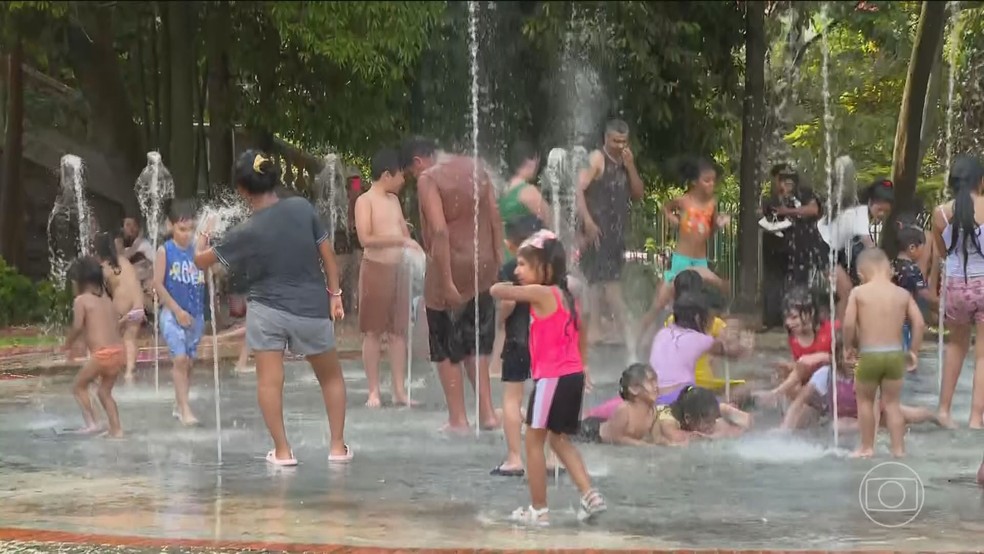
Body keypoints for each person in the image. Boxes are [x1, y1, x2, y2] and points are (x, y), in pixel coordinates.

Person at [194, 150, 351, 466]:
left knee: (269, 382)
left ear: (242, 189)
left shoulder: (245, 231)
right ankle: (337, 448)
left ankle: (282, 452)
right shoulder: (301, 208)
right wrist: (335, 294)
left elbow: (200, 261)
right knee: (331, 378)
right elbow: (328, 255)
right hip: (310, 307)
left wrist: (204, 234)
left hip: (267, 311)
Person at [489, 229, 605, 525]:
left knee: (533, 441)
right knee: (559, 440)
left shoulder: (543, 293)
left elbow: (497, 291)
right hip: (572, 376)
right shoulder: (567, 296)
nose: (517, 271)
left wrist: (507, 282)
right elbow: (581, 331)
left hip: (552, 379)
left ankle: (538, 510)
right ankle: (590, 495)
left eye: (523, 265)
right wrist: (584, 365)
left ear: (545, 269)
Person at [400, 136, 502, 433]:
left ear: (418, 161)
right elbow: (495, 217)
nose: (414, 177)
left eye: (412, 172)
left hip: (452, 264)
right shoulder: (477, 167)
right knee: (476, 339)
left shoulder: (429, 178)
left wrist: (445, 281)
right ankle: (488, 414)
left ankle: (458, 419)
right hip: (482, 264)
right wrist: (496, 261)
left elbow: (440, 231)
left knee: (444, 342)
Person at [354, 148, 421, 408]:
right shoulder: (365, 201)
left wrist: (413, 251)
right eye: (400, 175)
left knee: (398, 332)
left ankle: (399, 390)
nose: (403, 180)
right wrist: (399, 240)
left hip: (398, 270)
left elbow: (405, 235)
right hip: (376, 268)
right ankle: (373, 391)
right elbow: (365, 238)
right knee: (373, 332)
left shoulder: (394, 201)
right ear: (386, 175)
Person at [843, 248, 924, 458]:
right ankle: (898, 449)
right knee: (892, 404)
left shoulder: (858, 293)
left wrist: (848, 347)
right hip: (895, 356)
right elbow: (919, 323)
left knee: (865, 401)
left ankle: (867, 447)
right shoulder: (902, 294)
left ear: (861, 274)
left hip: (869, 355)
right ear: (890, 270)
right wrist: (913, 351)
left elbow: (849, 323)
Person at [639, 157, 730, 337]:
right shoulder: (684, 201)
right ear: (695, 182)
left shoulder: (712, 205)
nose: (711, 184)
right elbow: (665, 208)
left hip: (700, 261)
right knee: (661, 302)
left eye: (713, 180)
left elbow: (710, 231)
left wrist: (718, 226)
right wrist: (673, 219)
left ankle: (700, 339)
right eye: (707, 180)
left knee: (702, 302)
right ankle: (639, 338)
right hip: (681, 260)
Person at [575, 119, 645, 349]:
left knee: (598, 283)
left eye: (624, 141)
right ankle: (627, 330)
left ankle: (595, 330)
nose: (620, 146)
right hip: (598, 231)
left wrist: (631, 166)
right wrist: (587, 221)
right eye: (616, 141)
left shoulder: (625, 162)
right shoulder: (597, 159)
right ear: (606, 139)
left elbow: (638, 194)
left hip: (616, 234)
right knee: (609, 283)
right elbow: (578, 189)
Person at [932, 155, 984, 429]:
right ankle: (976, 418)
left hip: (954, 285)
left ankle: (944, 411)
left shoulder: (940, 213)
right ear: (981, 181)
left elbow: (942, 252)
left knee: (956, 345)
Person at [154, 201, 206, 426]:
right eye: (182, 229)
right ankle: (185, 410)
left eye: (191, 229)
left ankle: (179, 404)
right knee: (180, 359)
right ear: (170, 226)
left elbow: (214, 268)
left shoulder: (198, 249)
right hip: (172, 315)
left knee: (189, 363)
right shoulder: (165, 251)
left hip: (195, 316)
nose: (187, 234)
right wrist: (176, 311)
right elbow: (157, 284)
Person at [63, 256, 125, 438]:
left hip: (102, 356)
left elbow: (77, 327)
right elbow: (108, 326)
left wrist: (67, 344)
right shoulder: (107, 300)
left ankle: (92, 423)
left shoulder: (81, 300)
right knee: (104, 393)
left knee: (78, 386)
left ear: (79, 282)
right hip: (118, 352)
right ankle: (117, 430)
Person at [760, 166, 828, 329]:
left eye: (788, 180)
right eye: (781, 179)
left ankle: (801, 318)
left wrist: (787, 210)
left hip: (801, 247)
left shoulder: (804, 193)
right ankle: (773, 320)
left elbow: (813, 209)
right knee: (774, 283)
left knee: (799, 282)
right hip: (776, 247)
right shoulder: (771, 198)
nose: (784, 183)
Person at [819, 177, 894, 320]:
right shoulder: (860, 213)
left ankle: (837, 324)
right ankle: (839, 330)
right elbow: (870, 246)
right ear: (870, 202)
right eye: (879, 209)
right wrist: (886, 267)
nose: (882, 214)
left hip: (833, 249)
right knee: (846, 291)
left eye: (886, 211)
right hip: (822, 244)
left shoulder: (861, 212)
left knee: (846, 290)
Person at [93, 232, 146, 384]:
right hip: (138, 306)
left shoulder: (105, 267)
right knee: (130, 339)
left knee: (107, 337)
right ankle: (129, 371)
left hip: (121, 307)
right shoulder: (124, 261)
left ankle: (102, 370)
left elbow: (101, 290)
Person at [577, 364, 659, 446]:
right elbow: (616, 438)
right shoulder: (625, 410)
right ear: (634, 389)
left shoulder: (653, 411)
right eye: (651, 382)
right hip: (591, 432)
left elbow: (656, 437)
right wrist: (641, 444)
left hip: (608, 426)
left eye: (655, 381)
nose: (656, 386)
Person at [893, 224, 937, 357]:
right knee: (905, 354)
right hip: (905, 319)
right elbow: (924, 293)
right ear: (912, 248)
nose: (924, 253)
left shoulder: (891, 265)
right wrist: (940, 303)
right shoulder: (913, 269)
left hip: (890, 317)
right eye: (923, 248)